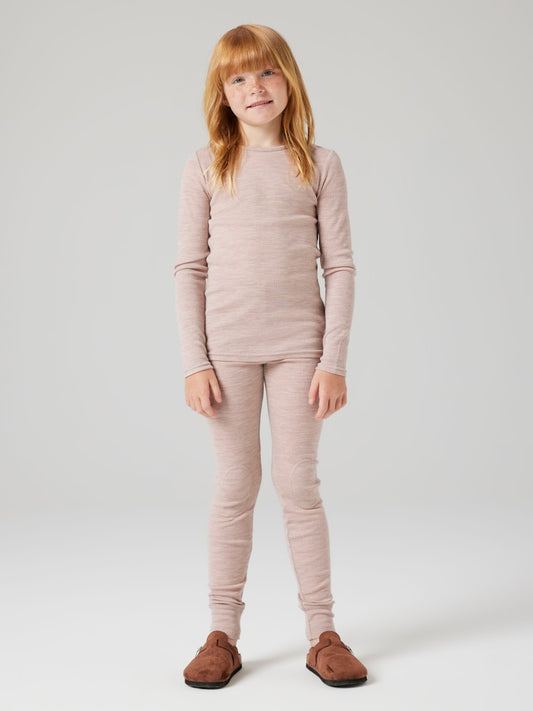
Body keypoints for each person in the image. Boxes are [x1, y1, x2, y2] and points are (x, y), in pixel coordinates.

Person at [173, 23, 368, 689]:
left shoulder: (320, 164)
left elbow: (339, 267)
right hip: (226, 351)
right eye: (238, 77)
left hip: (298, 351)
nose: (254, 87)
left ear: (288, 79)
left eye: (266, 72)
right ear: (222, 94)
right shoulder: (206, 165)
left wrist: (333, 359)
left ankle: (323, 632)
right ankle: (221, 633)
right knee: (234, 487)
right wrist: (195, 361)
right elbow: (189, 269)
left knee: (298, 486)